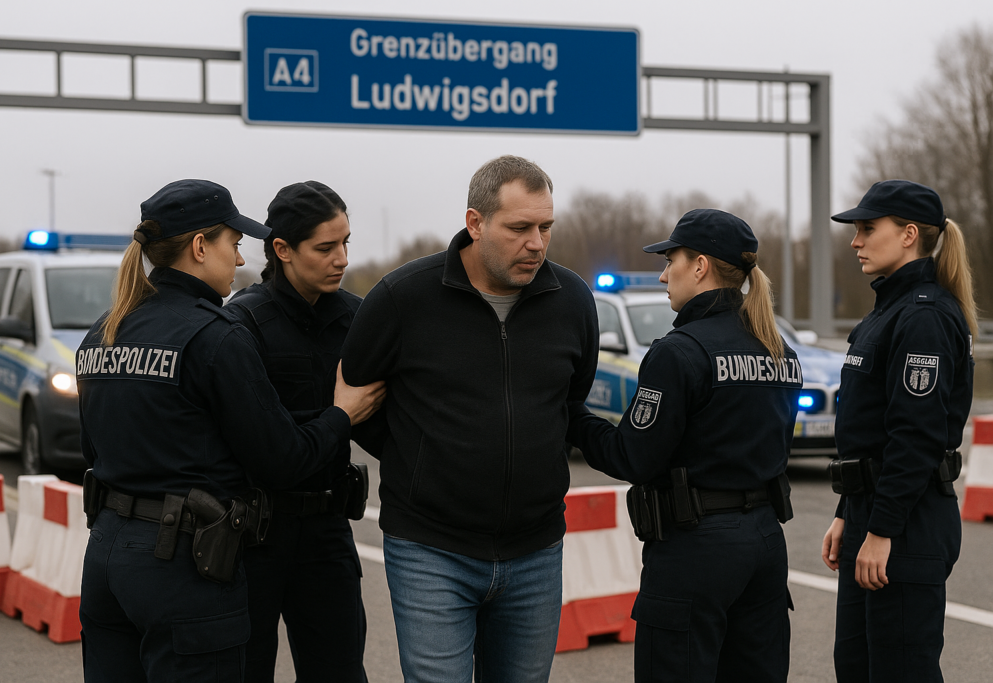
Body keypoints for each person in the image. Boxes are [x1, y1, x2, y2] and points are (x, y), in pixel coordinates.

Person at [75, 179, 385, 683]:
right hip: (182, 561)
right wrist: (341, 414)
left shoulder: (104, 330)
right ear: (201, 246)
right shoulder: (217, 334)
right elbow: (279, 457)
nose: (240, 260)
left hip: (108, 556)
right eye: (234, 244)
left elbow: (94, 449)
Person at [340, 155, 599, 683]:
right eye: (520, 228)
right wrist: (420, 458)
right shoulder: (401, 298)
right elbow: (359, 399)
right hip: (429, 550)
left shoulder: (572, 300)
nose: (537, 243)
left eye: (546, 227)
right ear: (475, 223)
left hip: (536, 549)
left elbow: (569, 402)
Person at [568, 209, 802, 683]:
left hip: (696, 550)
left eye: (670, 259)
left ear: (699, 266)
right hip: (764, 543)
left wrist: (572, 416)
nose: (662, 273)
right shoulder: (779, 350)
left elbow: (632, 456)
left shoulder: (679, 351)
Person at [227, 181, 383, 682]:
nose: (340, 258)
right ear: (282, 250)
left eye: (346, 244)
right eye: (325, 247)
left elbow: (385, 425)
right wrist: (339, 416)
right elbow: (256, 440)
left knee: (338, 672)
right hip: (255, 535)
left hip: (327, 532)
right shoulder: (242, 323)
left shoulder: (358, 319)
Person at [821, 180, 976, 683]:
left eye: (868, 228)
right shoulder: (885, 313)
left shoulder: (924, 317)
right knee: (858, 669)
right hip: (873, 512)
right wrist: (850, 511)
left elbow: (915, 436)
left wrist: (882, 529)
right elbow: (869, 432)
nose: (855, 240)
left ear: (909, 234)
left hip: (906, 523)